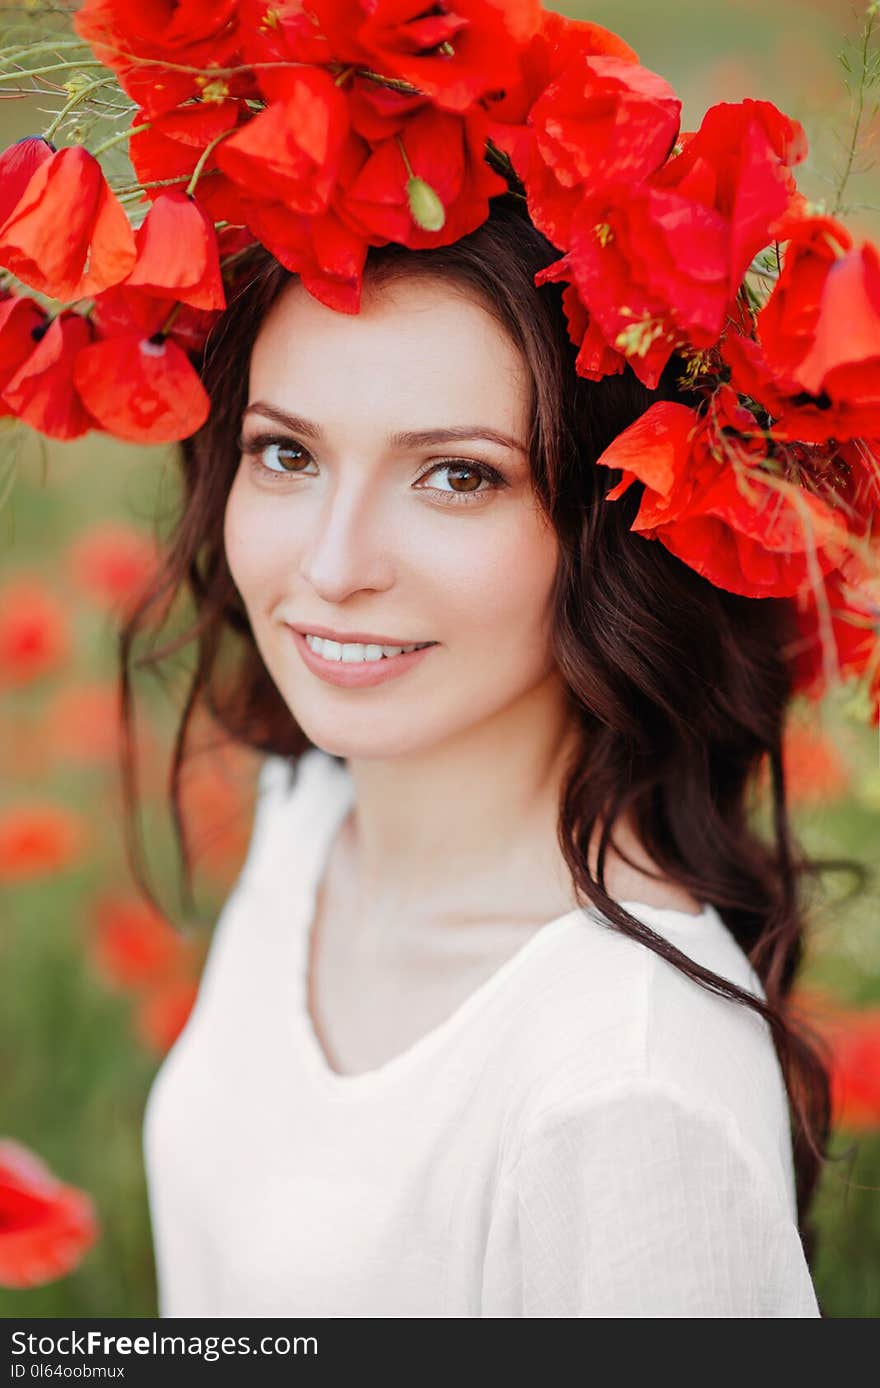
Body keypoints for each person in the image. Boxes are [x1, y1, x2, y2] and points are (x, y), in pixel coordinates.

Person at [133, 197, 825, 1317]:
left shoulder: (627, 1090)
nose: (333, 561)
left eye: (456, 474)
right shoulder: (310, 805)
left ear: (620, 520)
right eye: (286, 451)